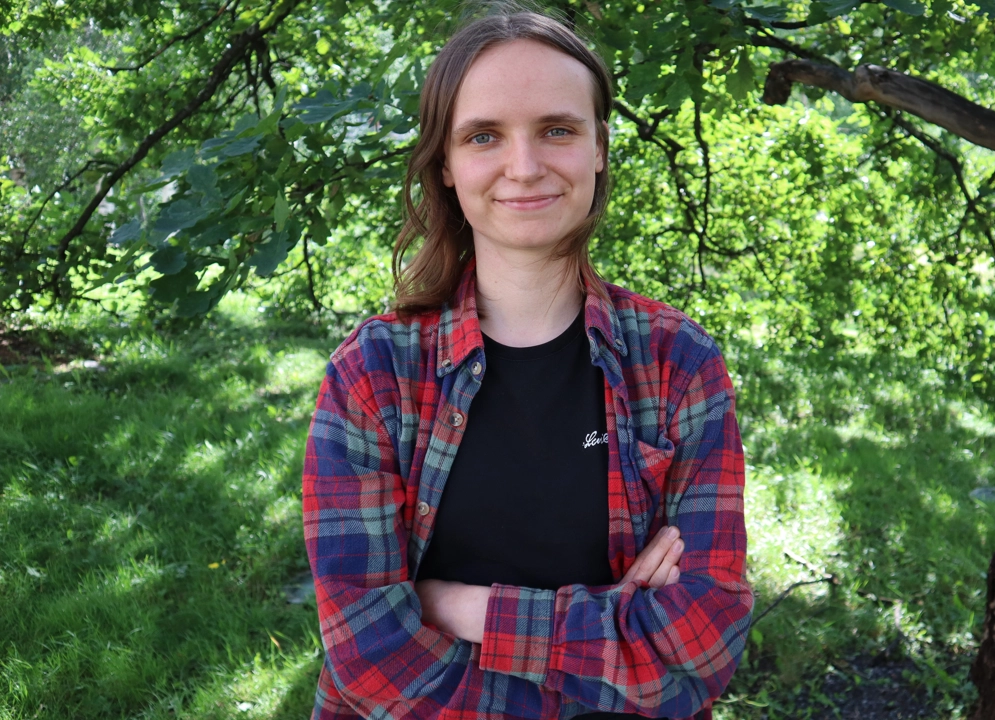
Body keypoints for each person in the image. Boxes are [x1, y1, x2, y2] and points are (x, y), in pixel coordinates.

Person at [302, 9, 752, 720]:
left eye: (557, 130)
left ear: (600, 147)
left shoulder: (678, 363)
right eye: (484, 135)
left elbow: (701, 644)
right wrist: (613, 624)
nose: (524, 166)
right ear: (446, 165)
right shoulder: (374, 375)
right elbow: (371, 660)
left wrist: (465, 609)